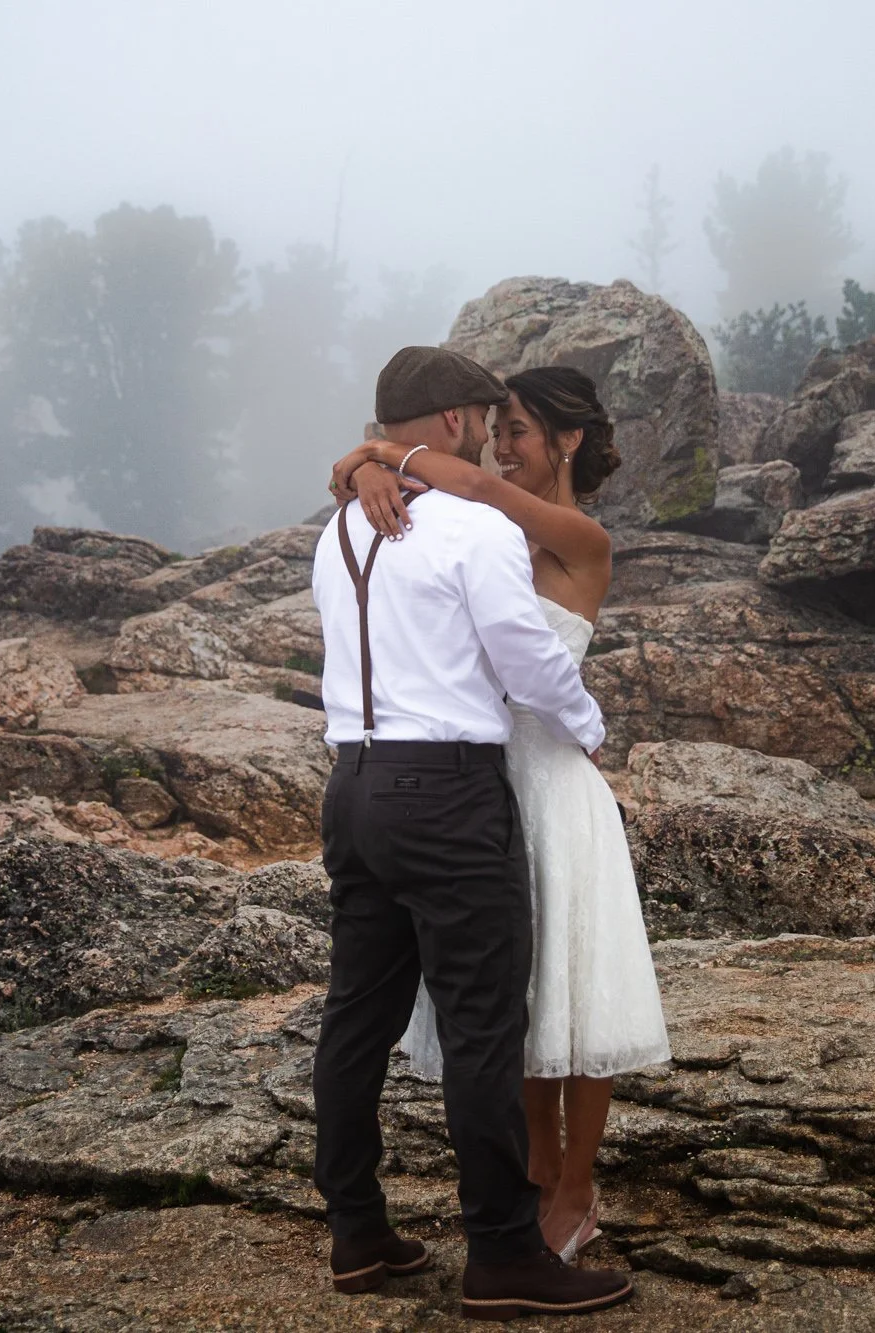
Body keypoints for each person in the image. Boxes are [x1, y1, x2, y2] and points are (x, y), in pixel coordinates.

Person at [310, 345, 635, 1320]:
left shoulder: (342, 527)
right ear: (456, 421)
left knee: (355, 1018)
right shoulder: (473, 526)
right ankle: (501, 1250)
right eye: (489, 424)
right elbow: (526, 659)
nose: (494, 444)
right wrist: (591, 729)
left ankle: (356, 1229)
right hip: (451, 791)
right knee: (485, 1028)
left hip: (354, 782)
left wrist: (366, 462)